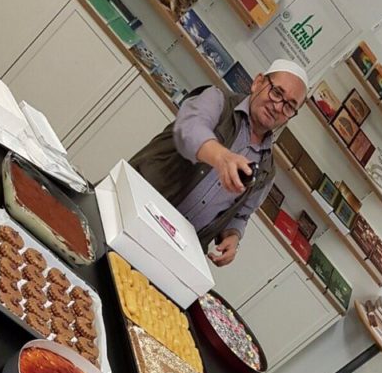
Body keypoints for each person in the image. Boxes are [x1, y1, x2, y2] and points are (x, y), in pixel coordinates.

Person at [130, 59, 308, 267]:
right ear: (258, 82)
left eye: (289, 106)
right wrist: (222, 157)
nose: (278, 107)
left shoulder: (267, 169)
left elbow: (241, 213)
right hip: (137, 206)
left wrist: (233, 236)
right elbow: (189, 129)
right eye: (276, 93)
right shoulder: (217, 99)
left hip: (178, 252)